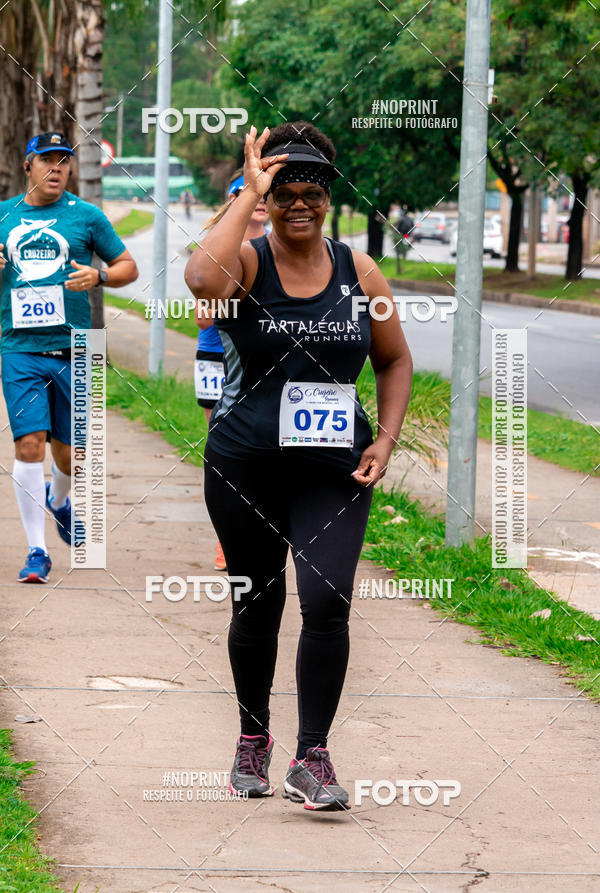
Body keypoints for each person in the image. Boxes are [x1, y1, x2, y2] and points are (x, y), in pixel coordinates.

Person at [185, 122, 412, 811]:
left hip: (332, 469)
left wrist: (388, 437)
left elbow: (394, 359)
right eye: (284, 194)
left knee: (327, 601)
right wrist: (246, 194)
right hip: (244, 464)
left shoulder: (359, 270)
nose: (300, 204)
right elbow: (201, 279)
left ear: (329, 196)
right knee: (258, 602)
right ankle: (253, 739)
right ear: (268, 199)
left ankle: (311, 756)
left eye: (312, 191)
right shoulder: (247, 262)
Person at [0, 132, 138, 583]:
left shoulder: (87, 216)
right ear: (28, 166)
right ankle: (37, 552)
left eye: (64, 162)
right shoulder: (3, 216)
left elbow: (127, 267)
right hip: (19, 346)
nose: (57, 169)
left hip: (78, 349)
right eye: (47, 161)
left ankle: (59, 502)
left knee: (70, 459)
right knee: (28, 444)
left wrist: (99, 276)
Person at [194, 168, 269, 571]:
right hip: (217, 357)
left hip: (262, 359)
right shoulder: (220, 247)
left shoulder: (283, 247)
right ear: (232, 202)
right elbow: (203, 318)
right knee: (223, 445)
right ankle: (227, 538)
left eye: (260, 192)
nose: (255, 199)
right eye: (243, 192)